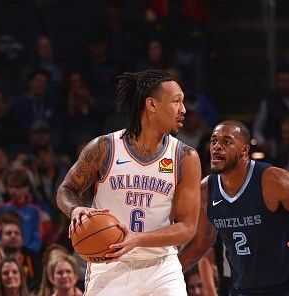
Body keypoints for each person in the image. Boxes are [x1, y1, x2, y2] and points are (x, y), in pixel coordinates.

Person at [56, 69, 201, 295]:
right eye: (176, 101)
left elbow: (187, 228)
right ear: (152, 105)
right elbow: (66, 189)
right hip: (109, 262)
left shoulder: (185, 157)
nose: (183, 109)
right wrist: (75, 209)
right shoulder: (104, 148)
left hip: (161, 266)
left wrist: (137, 239)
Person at [179, 120, 289, 295]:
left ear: (245, 150)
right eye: (213, 141)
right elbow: (203, 241)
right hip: (245, 290)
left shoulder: (273, 181)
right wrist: (166, 272)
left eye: (226, 141)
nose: (217, 147)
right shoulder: (206, 190)